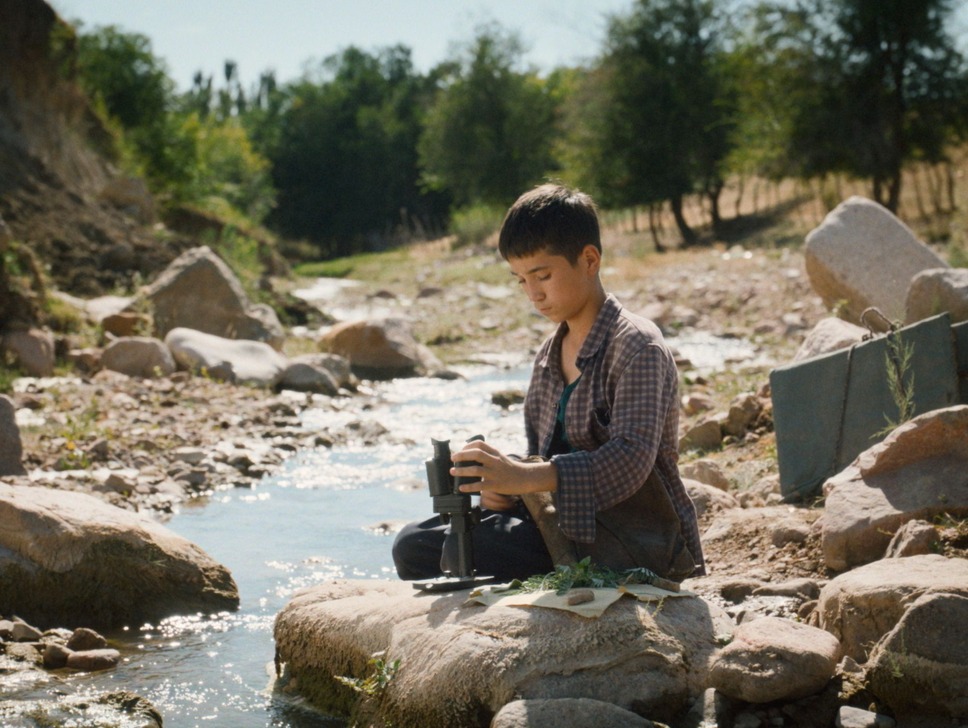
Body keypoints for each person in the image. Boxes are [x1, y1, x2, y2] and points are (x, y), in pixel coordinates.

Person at [392, 183, 705, 584]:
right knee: (413, 544)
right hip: (558, 522)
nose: (533, 294)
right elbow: (540, 458)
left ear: (589, 260)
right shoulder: (547, 357)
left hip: (629, 534)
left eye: (543, 275)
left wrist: (525, 479)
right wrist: (503, 490)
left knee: (455, 552)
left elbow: (630, 461)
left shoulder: (637, 346)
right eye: (521, 280)